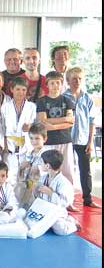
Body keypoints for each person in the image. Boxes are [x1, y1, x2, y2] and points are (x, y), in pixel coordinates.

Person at [36, 71, 76, 204]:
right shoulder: (42, 101)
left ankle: (68, 201)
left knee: (67, 170)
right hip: (49, 141)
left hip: (65, 140)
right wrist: (64, 120)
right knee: (46, 169)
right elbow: (42, 122)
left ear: (62, 84)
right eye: (52, 83)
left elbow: (71, 121)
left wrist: (52, 125)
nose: (55, 86)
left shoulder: (67, 100)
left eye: (58, 83)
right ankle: (45, 198)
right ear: (47, 84)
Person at [64, 67, 100, 208]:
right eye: (74, 79)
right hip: (66, 139)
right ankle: (67, 200)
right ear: (68, 80)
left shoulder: (87, 98)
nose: (77, 81)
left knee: (85, 170)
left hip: (83, 139)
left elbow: (92, 120)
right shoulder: (63, 97)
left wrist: (90, 141)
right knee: (67, 170)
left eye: (79, 78)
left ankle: (88, 199)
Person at [2, 76, 37, 187]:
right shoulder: (5, 107)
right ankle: (11, 198)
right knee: (10, 178)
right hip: (10, 146)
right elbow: (2, 127)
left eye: (23, 90)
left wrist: (30, 126)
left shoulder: (32, 107)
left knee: (26, 178)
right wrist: (4, 144)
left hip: (26, 146)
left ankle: (26, 198)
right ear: (12, 89)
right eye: (17, 89)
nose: (21, 92)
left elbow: (36, 125)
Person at [33, 149, 79, 235]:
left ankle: (73, 223)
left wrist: (51, 193)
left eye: (41, 162)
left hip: (57, 212)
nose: (40, 164)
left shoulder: (63, 182)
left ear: (47, 166)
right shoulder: (43, 178)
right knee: (28, 219)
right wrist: (35, 190)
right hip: (44, 209)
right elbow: (38, 196)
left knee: (60, 229)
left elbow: (65, 202)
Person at [16, 122, 49, 208]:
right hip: (28, 186)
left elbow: (48, 171)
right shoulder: (29, 153)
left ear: (44, 139)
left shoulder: (46, 154)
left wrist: (38, 168)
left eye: (37, 138)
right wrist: (22, 167)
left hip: (39, 187)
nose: (34, 141)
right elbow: (23, 171)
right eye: (31, 138)